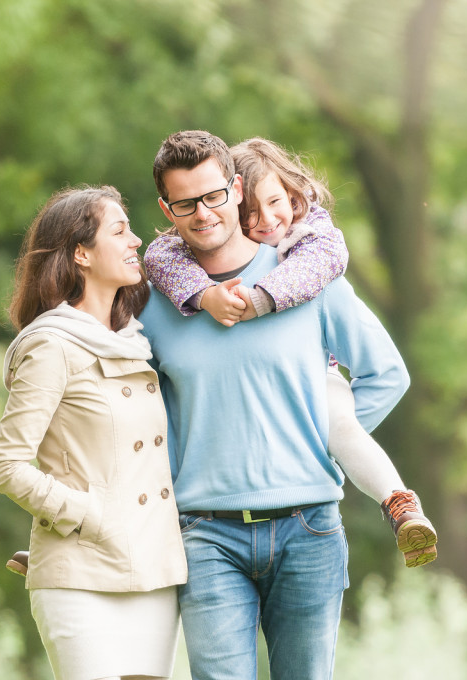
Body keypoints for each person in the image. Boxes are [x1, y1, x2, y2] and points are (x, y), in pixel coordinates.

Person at [138, 130, 410, 680]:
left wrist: (327, 443)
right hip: (206, 534)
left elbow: (386, 375)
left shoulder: (309, 279)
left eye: (214, 196)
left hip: (308, 528)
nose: (203, 213)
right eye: (186, 203)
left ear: (236, 190)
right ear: (167, 210)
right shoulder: (154, 302)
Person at [0, 185, 187, 680]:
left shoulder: (136, 342)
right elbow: (6, 466)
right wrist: (87, 514)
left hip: (153, 573)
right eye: (120, 231)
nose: (136, 240)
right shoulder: (52, 344)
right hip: (80, 573)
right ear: (81, 253)